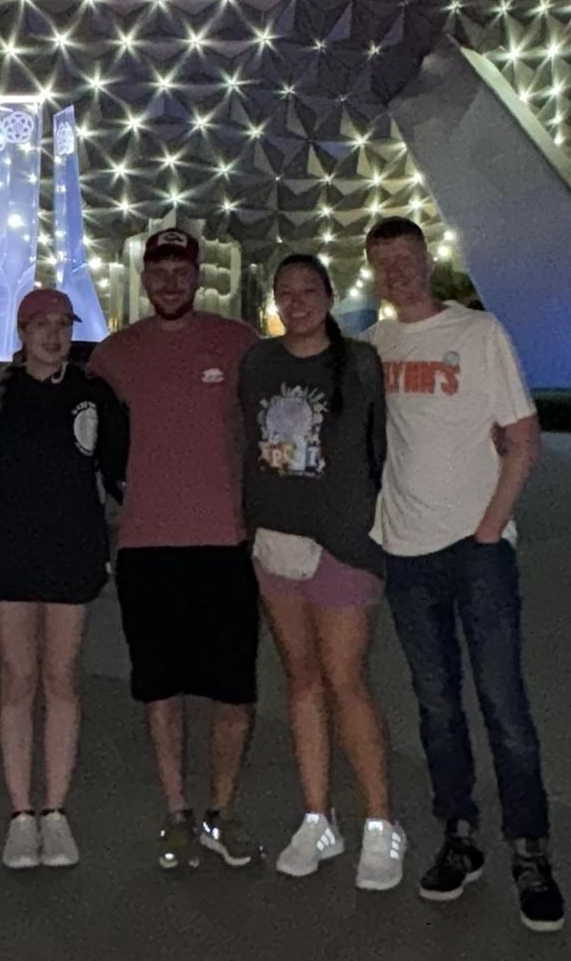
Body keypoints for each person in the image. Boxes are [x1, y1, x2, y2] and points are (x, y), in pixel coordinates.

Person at [363, 217, 565, 933]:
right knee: (437, 709)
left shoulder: (480, 334)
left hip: (477, 553)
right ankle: (460, 834)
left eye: (407, 258)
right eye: (384, 262)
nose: (398, 271)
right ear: (373, 271)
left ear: (428, 261)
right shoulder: (373, 347)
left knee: (504, 707)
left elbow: (524, 440)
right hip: (405, 552)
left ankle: (529, 850)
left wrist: (486, 533)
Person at [87, 227, 261, 871]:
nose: (168, 282)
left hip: (225, 542)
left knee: (233, 689)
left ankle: (221, 811)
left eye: (179, 271)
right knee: (160, 687)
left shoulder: (238, 343)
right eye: (157, 271)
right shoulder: (114, 354)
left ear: (197, 276)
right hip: (146, 544)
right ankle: (177, 813)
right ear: (143, 279)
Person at [239, 254, 405, 890]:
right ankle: (317, 817)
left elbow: (384, 447)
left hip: (343, 545)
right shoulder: (258, 362)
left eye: (309, 290)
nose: (297, 301)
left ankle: (380, 823)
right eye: (285, 292)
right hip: (275, 543)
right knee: (302, 680)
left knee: (345, 680)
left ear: (330, 297)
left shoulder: (360, 363)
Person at [0, 287, 128, 870]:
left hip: (73, 552)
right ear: (22, 333)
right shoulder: (1, 395)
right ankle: (20, 815)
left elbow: (121, 467)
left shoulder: (93, 393)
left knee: (62, 679)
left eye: (62, 324)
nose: (54, 335)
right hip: (11, 553)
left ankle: (55, 810)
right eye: (42, 325)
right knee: (17, 679)